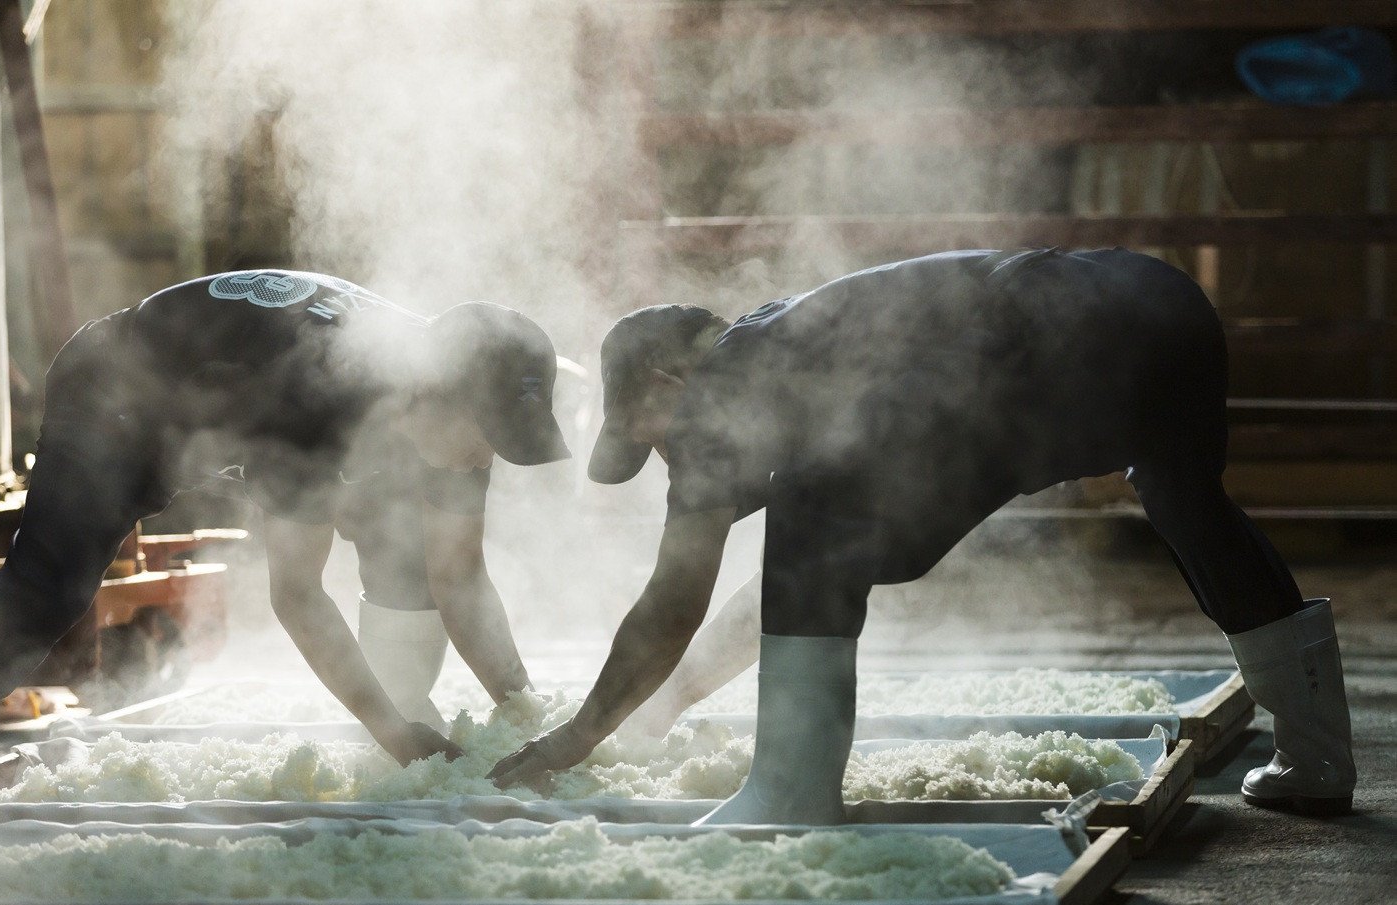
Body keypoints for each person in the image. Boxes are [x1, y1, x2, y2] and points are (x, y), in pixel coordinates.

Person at [488, 248, 1357, 821]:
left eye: (652, 435)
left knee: (815, 517)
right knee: (1187, 502)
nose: (670, 457)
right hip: (1156, 305)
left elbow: (677, 596)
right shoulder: (790, 342)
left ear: (669, 379)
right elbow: (780, 597)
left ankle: (788, 794)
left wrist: (576, 737)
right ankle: (1317, 761)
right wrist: (672, 699)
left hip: (1035, 347)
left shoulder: (726, 385)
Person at [0, 269, 570, 764]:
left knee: (407, 550)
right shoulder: (322, 397)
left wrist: (530, 718)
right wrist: (390, 733)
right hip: (117, 392)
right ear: (440, 394)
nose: (489, 457)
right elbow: (299, 596)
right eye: (487, 436)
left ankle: (402, 729)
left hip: (228, 393)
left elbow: (461, 578)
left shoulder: (437, 396)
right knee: (41, 598)